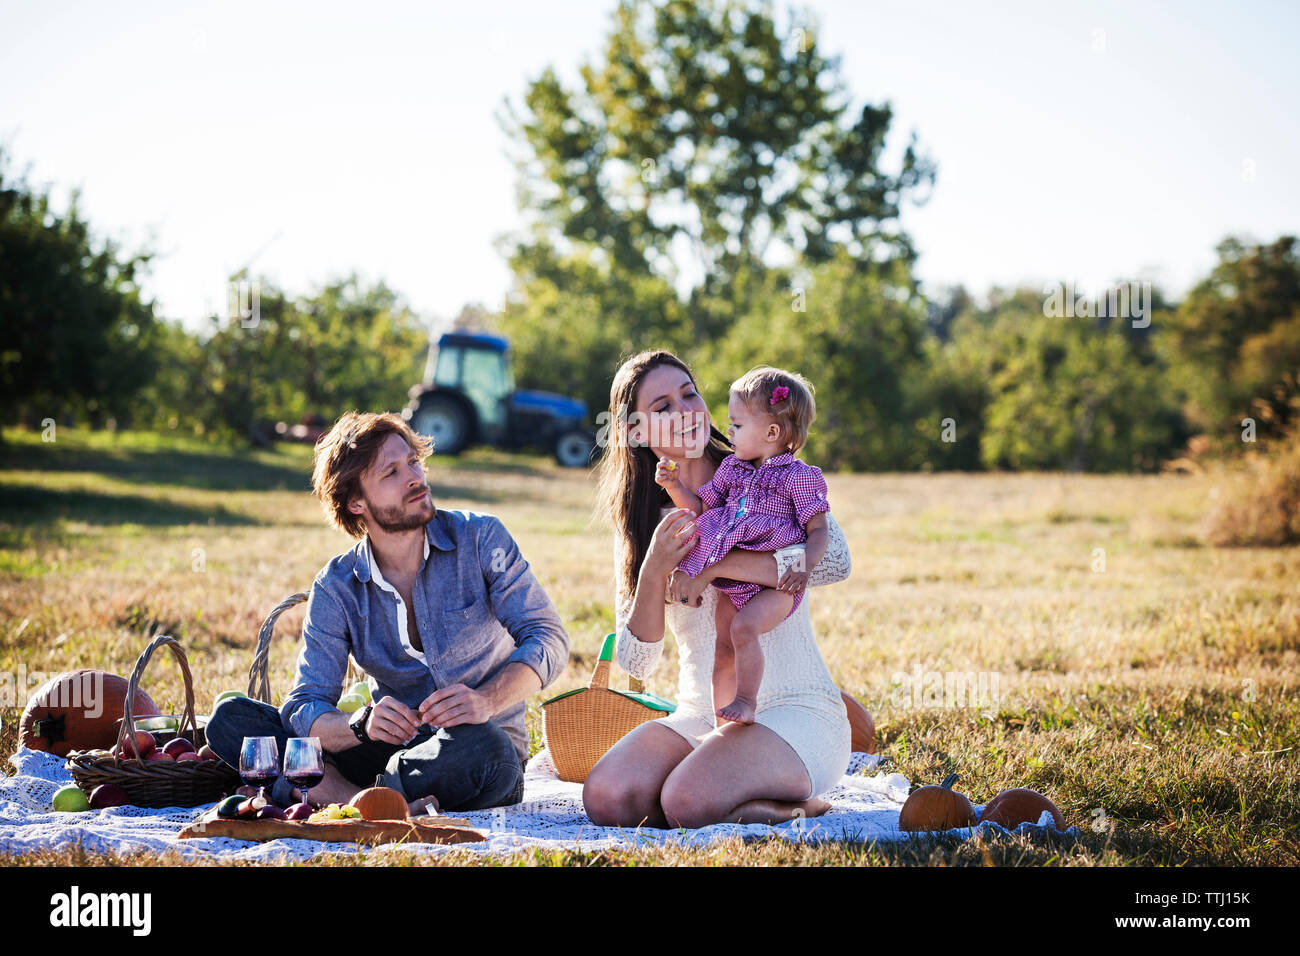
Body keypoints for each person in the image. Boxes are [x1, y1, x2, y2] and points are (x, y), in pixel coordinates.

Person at [206, 411, 569, 813]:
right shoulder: (337, 585)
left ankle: (333, 793)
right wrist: (359, 725)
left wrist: (486, 700)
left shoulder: (481, 538)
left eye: (412, 461)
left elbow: (547, 636)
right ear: (356, 502)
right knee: (231, 719)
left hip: (472, 752)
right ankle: (369, 803)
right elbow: (305, 704)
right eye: (391, 472)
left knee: (482, 746)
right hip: (381, 751)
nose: (414, 477)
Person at [582, 350, 852, 829]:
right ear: (635, 431)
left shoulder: (764, 472)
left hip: (795, 711)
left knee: (687, 801)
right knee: (607, 797)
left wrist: (716, 564)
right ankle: (717, 790)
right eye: (663, 407)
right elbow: (637, 664)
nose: (686, 410)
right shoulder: (646, 523)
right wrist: (653, 571)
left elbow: (834, 560)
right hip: (703, 716)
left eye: (690, 393)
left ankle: (785, 804)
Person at [656, 366, 829, 726]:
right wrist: (673, 487)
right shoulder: (733, 470)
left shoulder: (799, 476)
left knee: (744, 629)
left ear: (771, 432)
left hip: (777, 585)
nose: (729, 432)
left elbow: (818, 530)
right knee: (723, 649)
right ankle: (724, 722)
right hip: (734, 587)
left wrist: (802, 567)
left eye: (736, 425)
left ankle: (746, 701)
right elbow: (703, 508)